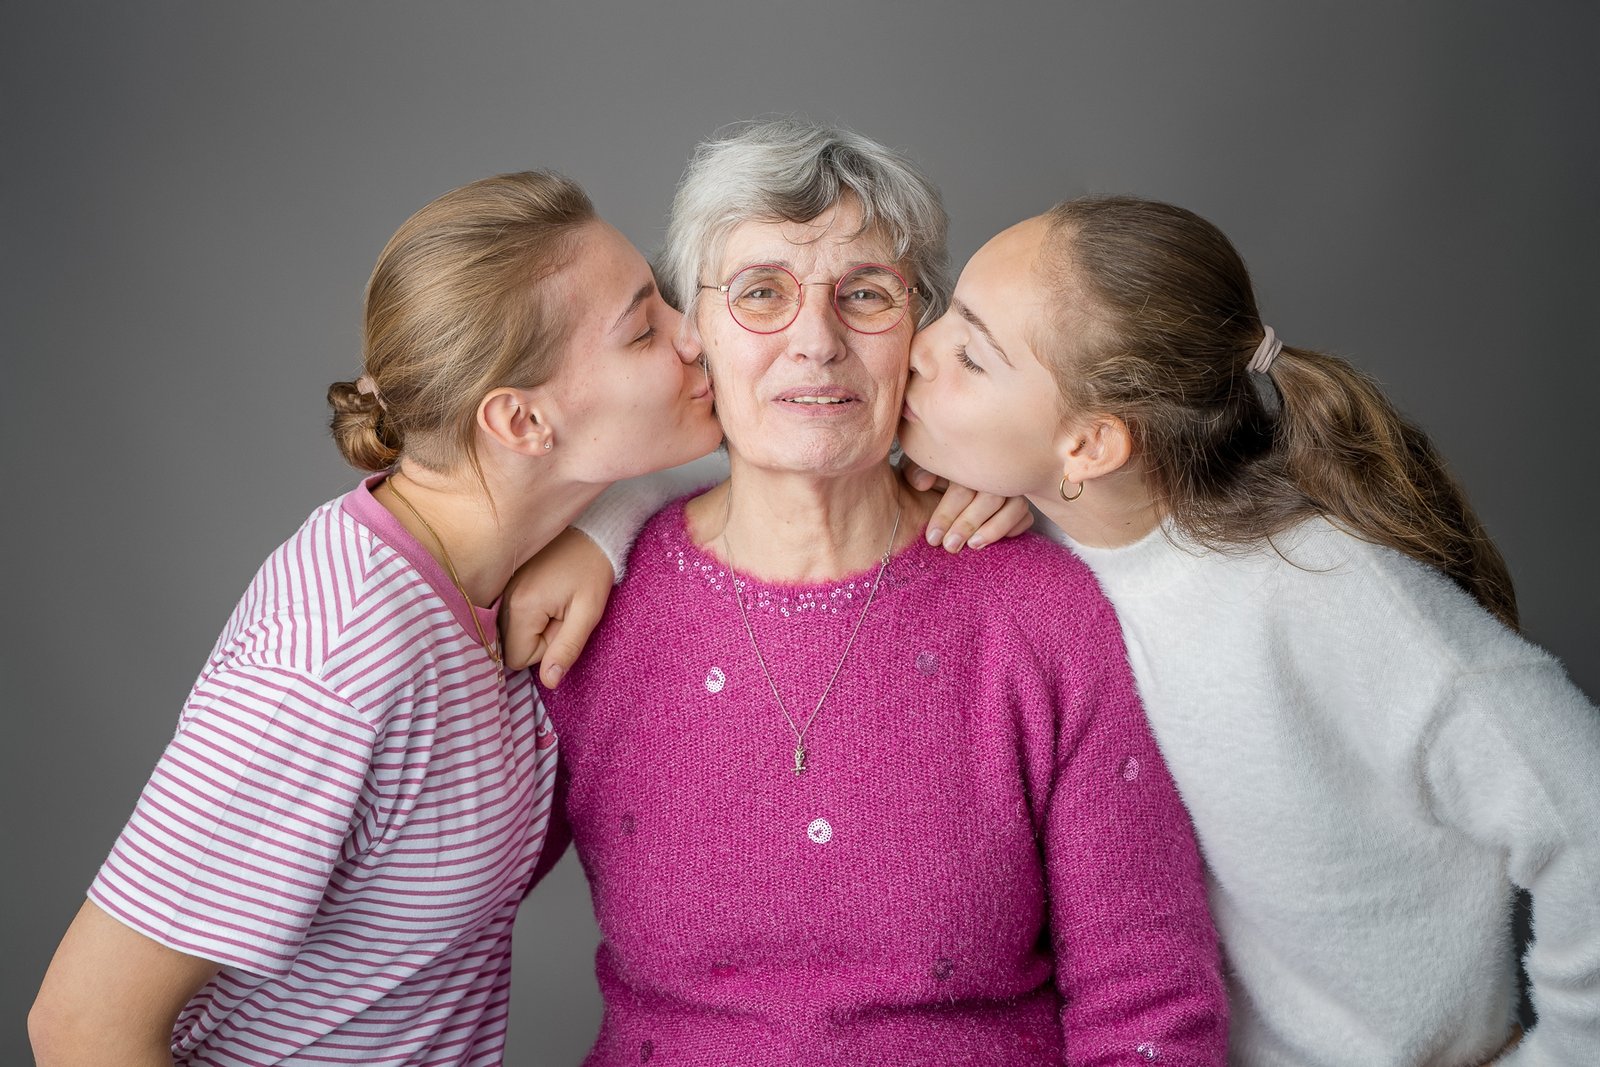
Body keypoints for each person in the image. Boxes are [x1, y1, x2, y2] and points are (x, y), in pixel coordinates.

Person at [512, 120, 1229, 1065]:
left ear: (919, 331)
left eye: (865, 295)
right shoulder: (584, 612)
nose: (817, 342)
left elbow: (1149, 1002)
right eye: (761, 292)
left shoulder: (1045, 612)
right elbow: (417, 913)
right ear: (696, 334)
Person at [29, 171, 722, 1066]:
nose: (695, 333)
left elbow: (790, 467)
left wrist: (604, 530)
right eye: (645, 329)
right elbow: (80, 1026)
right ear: (520, 421)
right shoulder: (336, 658)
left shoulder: (496, 570)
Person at [894, 196, 1600, 1064]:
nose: (917, 347)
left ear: (1090, 446)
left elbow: (1583, 810)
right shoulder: (1035, 552)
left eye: (970, 354)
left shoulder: (1323, 590)